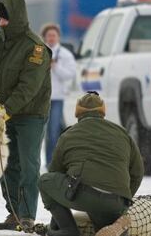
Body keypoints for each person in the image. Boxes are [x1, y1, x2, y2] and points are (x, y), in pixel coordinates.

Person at [0, 0, 52, 232]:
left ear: (16, 17)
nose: (1, 23)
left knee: (28, 165)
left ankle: (26, 215)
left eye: (5, 19)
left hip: (29, 116)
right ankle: (13, 212)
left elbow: (29, 88)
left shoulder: (34, 47)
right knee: (6, 165)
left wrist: (6, 110)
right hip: (3, 113)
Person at [38, 91, 144, 236]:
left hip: (84, 195)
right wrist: (124, 198)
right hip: (116, 201)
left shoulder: (68, 135)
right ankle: (113, 225)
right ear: (102, 112)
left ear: (78, 113)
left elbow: (55, 173)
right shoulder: (123, 133)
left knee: (44, 181)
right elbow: (137, 172)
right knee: (102, 225)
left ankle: (68, 229)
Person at [40, 23, 76, 169]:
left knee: (53, 131)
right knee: (43, 132)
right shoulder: (39, 52)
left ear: (58, 37)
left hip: (57, 98)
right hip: (42, 98)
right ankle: (44, 161)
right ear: (44, 37)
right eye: (49, 36)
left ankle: (51, 162)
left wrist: (55, 66)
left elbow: (70, 74)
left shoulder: (65, 55)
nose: (51, 38)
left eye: (54, 35)